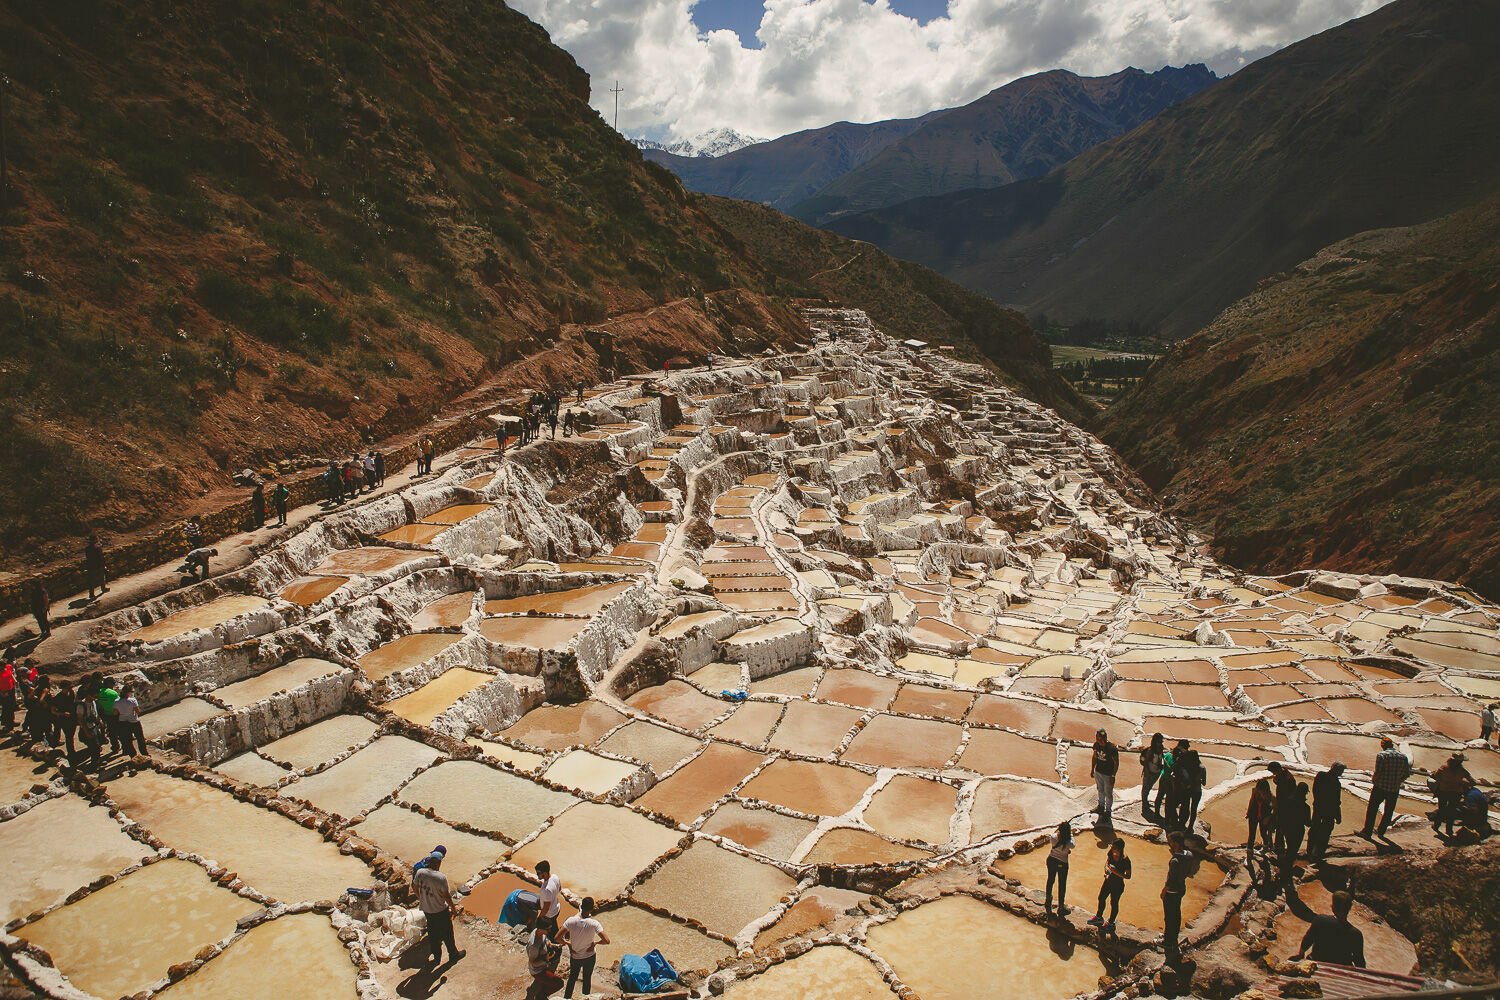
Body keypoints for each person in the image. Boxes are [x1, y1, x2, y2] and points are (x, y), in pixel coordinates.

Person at [1290, 891, 1365, 967]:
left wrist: (1300, 954)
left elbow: (1307, 940)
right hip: (1341, 968)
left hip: (1318, 962)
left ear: (1333, 907)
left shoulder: (1320, 920)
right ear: (1349, 908)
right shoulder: (1356, 934)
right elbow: (1359, 960)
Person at [413, 850, 462, 966]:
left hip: (427, 910)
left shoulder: (420, 873)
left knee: (433, 935)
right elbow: (446, 896)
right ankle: (453, 955)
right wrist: (453, 909)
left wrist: (422, 899)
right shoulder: (441, 877)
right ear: (439, 863)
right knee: (448, 934)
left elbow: (415, 888)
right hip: (440, 911)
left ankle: (436, 958)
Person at [1359, 737, 1411, 839]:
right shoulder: (1403, 757)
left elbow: (1378, 772)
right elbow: (1406, 774)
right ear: (1392, 745)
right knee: (1389, 811)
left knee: (1372, 809)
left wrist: (1374, 780)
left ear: (1383, 746)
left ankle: (1367, 831)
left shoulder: (1382, 755)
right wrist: (1397, 781)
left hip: (1380, 787)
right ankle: (1381, 832)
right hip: (1394, 789)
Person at [557, 897, 608, 999]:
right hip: (590, 956)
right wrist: (595, 943)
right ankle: (586, 997)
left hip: (576, 956)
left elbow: (557, 938)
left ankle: (567, 998)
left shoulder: (570, 921)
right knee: (587, 979)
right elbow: (606, 940)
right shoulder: (594, 923)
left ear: (581, 906)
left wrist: (568, 944)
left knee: (572, 978)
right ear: (592, 909)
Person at [1161, 830, 1192, 967]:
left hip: (1172, 891)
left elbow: (1170, 879)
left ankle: (1168, 941)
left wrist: (1163, 891)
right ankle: (1173, 938)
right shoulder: (1189, 855)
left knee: (1169, 916)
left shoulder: (1174, 861)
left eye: (1171, 841)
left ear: (1176, 843)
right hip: (1181, 889)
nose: (1170, 843)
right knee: (1176, 914)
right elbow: (1188, 872)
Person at [1089, 838, 1132, 933]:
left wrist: (1116, 872)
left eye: (1114, 847)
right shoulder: (1111, 853)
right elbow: (1107, 862)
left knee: (1114, 903)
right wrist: (1106, 868)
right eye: (1112, 846)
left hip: (1118, 885)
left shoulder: (1125, 860)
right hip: (1108, 881)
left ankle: (1111, 923)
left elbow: (1128, 876)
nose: (1112, 848)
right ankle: (1099, 917)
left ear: (1120, 849)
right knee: (1101, 898)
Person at [1431, 752, 1475, 839]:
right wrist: (1461, 783)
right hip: (1456, 793)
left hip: (1443, 791)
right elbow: (1473, 782)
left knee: (1442, 809)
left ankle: (1436, 826)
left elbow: (1435, 776)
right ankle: (1449, 830)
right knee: (1451, 811)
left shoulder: (1444, 768)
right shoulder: (1462, 771)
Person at [1308, 763, 1345, 860]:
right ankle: (1317, 854)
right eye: (1341, 771)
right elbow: (1336, 801)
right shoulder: (1336, 783)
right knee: (1325, 832)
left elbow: (1315, 790)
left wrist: (1317, 801)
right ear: (1338, 771)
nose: (1342, 773)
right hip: (1329, 811)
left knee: (1314, 828)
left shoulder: (1320, 775)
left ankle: (1309, 851)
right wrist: (1338, 815)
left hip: (1318, 807)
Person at [1278, 782, 1310, 884]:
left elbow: (1281, 815)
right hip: (1298, 831)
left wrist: (1281, 827)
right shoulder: (1305, 807)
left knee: (1290, 848)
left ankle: (1284, 870)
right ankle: (1286, 873)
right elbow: (1308, 823)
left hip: (1287, 829)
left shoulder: (1287, 801)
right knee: (1292, 851)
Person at [526, 914, 564, 999]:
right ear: (541, 929)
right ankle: (541, 996)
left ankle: (540, 993)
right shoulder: (534, 945)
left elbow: (546, 941)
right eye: (548, 929)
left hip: (544, 965)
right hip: (538, 971)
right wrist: (546, 958)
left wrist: (554, 945)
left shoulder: (539, 932)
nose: (550, 930)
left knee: (544, 983)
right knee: (559, 983)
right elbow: (532, 962)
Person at [1172, 740, 1205, 832]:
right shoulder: (1202, 768)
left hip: (1187, 790)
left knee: (1185, 806)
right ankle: (1190, 827)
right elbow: (1204, 782)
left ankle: (1181, 824)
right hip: (1197, 791)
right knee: (1194, 809)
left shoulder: (1187, 766)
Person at [1044, 820, 1073, 916]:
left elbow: (1055, 837)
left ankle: (1048, 901)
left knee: (1050, 880)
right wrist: (1070, 834)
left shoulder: (1053, 837)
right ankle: (1061, 907)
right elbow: (1072, 845)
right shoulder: (1069, 842)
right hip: (1062, 863)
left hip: (1052, 860)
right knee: (1062, 884)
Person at [1091, 729, 1119, 824]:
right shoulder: (1096, 745)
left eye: (1102, 738)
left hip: (1108, 774)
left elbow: (1116, 763)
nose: (1101, 740)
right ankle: (1101, 806)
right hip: (1098, 771)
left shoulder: (1112, 749)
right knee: (1100, 789)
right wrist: (1092, 769)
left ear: (1106, 738)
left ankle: (1108, 811)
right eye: (1099, 738)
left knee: (1108, 793)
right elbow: (1094, 757)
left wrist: (1113, 775)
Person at [1139, 734, 1166, 821]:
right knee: (1145, 788)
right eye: (1159, 742)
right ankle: (1144, 804)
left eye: (1161, 742)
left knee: (1149, 787)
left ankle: (1145, 802)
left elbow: (1162, 758)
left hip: (1156, 772)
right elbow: (1146, 763)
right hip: (1149, 773)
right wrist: (1148, 772)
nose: (1160, 743)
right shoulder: (1150, 751)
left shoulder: (1161, 749)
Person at [1247, 778, 1276, 856]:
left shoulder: (1271, 796)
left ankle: (1265, 847)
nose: (1259, 791)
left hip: (1264, 817)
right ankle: (1249, 853)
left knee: (1263, 833)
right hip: (1253, 815)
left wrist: (1268, 818)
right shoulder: (1255, 791)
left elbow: (1275, 809)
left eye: (1261, 790)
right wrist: (1248, 812)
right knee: (1251, 834)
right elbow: (1251, 800)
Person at [96, 675, 123, 757]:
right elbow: (120, 704)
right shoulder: (112, 693)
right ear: (110, 684)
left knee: (112, 732)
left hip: (106, 715)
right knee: (121, 732)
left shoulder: (99, 692)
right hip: (116, 715)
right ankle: (125, 747)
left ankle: (115, 747)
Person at [116, 683, 144, 760]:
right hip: (134, 721)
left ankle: (133, 755)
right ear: (128, 692)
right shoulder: (132, 700)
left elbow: (115, 713)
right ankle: (144, 753)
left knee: (127, 739)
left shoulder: (116, 701)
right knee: (140, 738)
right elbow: (138, 711)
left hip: (123, 722)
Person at [536, 860, 563, 936]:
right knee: (554, 925)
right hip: (556, 908)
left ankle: (556, 940)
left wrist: (539, 918)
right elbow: (559, 888)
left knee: (550, 932)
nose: (537, 875)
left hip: (550, 914)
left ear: (544, 873)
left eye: (538, 873)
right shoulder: (555, 877)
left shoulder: (547, 889)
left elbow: (546, 907)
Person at [85, 534, 109, 600]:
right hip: (98, 566)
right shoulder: (98, 548)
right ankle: (103, 589)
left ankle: (92, 594)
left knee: (91, 581)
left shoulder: (87, 549)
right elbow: (101, 558)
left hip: (90, 567)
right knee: (101, 577)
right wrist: (104, 565)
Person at [0, 657, 15, 732]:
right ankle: (7, 725)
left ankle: (12, 721)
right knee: (6, 709)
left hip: (11, 689)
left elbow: (11, 674)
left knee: (12, 707)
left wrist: (14, 681)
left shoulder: (8, 667)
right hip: (3, 692)